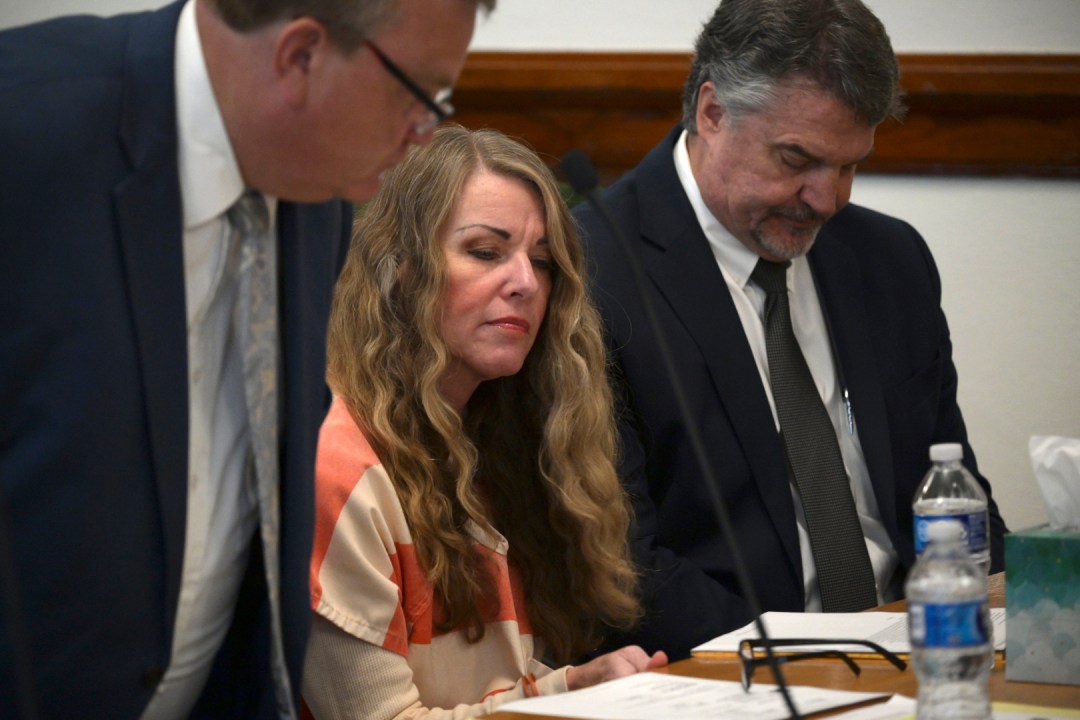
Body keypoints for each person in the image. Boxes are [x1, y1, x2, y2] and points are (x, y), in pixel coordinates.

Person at [0, 0, 493, 716]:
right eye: (418, 95)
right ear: (300, 57)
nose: (425, 133)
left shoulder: (315, 177)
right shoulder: (26, 131)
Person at [573, 0, 1008, 662]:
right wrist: (831, 658)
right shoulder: (594, 270)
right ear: (712, 112)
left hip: (921, 653)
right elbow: (625, 566)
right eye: (796, 159)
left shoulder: (890, 261)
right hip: (735, 669)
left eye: (849, 166)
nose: (827, 200)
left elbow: (953, 500)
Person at [302, 125, 667, 719]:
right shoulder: (336, 464)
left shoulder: (497, 440)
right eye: (485, 252)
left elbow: (480, 693)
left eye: (541, 261)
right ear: (401, 267)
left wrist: (575, 687)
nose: (525, 283)